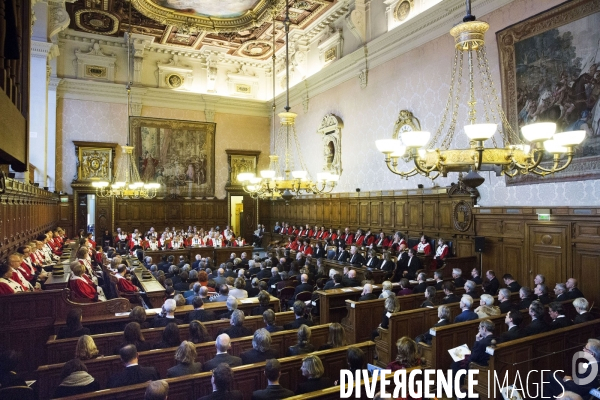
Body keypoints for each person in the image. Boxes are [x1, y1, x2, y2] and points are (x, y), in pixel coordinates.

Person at [451, 319, 498, 386]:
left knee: (456, 360)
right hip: (488, 363)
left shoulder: (481, 343)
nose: (478, 330)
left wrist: (476, 341)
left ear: (484, 329)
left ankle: (456, 386)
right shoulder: (498, 339)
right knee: (459, 351)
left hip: (479, 367)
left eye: (479, 328)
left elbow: (472, 358)